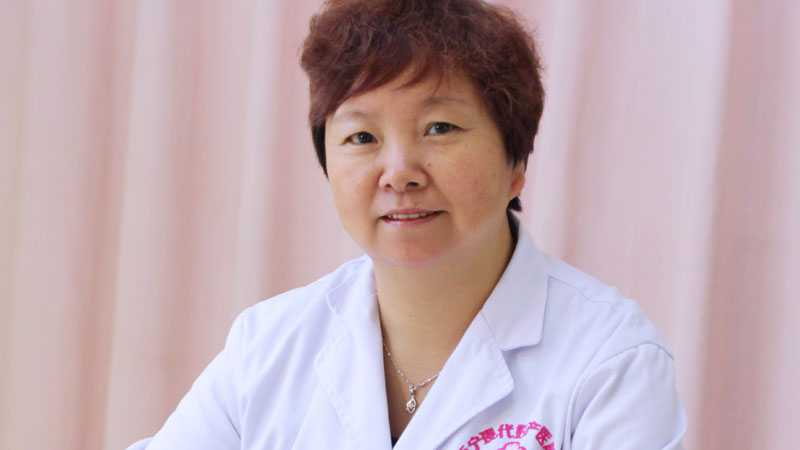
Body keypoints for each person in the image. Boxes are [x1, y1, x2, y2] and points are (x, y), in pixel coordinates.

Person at [131, 0, 686, 448]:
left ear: (516, 164)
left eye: (440, 128)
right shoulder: (269, 345)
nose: (399, 173)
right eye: (362, 137)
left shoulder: (610, 361)